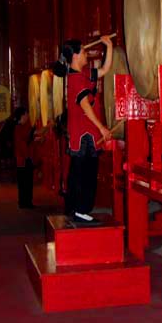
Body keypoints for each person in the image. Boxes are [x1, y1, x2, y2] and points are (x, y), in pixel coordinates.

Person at [60, 36, 113, 224]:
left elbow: (105, 70)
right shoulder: (75, 78)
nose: (85, 54)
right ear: (74, 56)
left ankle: (75, 209)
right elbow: (85, 105)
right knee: (85, 174)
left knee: (79, 172)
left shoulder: (82, 74)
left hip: (86, 133)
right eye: (82, 51)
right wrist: (102, 128)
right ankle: (80, 210)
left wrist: (109, 47)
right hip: (85, 135)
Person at [13, 107, 36, 209]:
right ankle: (24, 202)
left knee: (27, 182)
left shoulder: (21, 127)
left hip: (25, 158)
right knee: (24, 182)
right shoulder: (18, 127)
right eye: (26, 114)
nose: (28, 116)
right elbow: (23, 143)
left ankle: (27, 202)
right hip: (23, 159)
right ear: (22, 115)